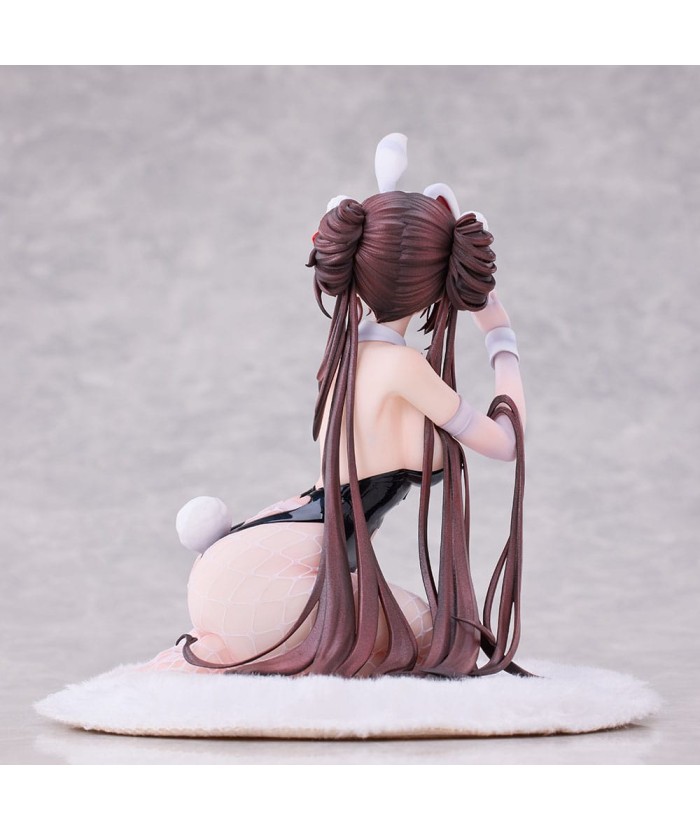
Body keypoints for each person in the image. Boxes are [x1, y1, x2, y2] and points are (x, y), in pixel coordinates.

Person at [139, 134, 527, 680]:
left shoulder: (343, 356)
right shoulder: (402, 368)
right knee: (431, 638)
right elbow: (506, 444)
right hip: (274, 580)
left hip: (244, 560)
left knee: (415, 630)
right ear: (440, 284)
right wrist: (501, 338)